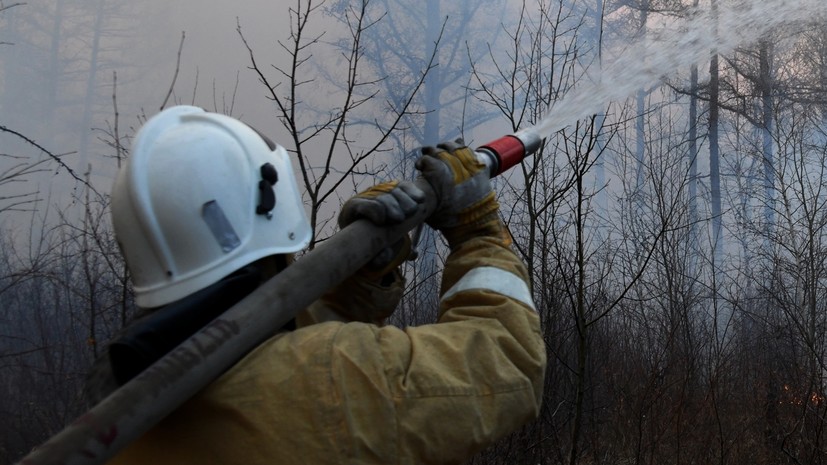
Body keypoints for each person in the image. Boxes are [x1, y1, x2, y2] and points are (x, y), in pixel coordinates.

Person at [89, 105, 546, 464]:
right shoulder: (334, 376)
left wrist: (359, 279)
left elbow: (272, 355)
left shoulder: (123, 405)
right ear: (271, 203)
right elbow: (508, 359)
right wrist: (478, 231)